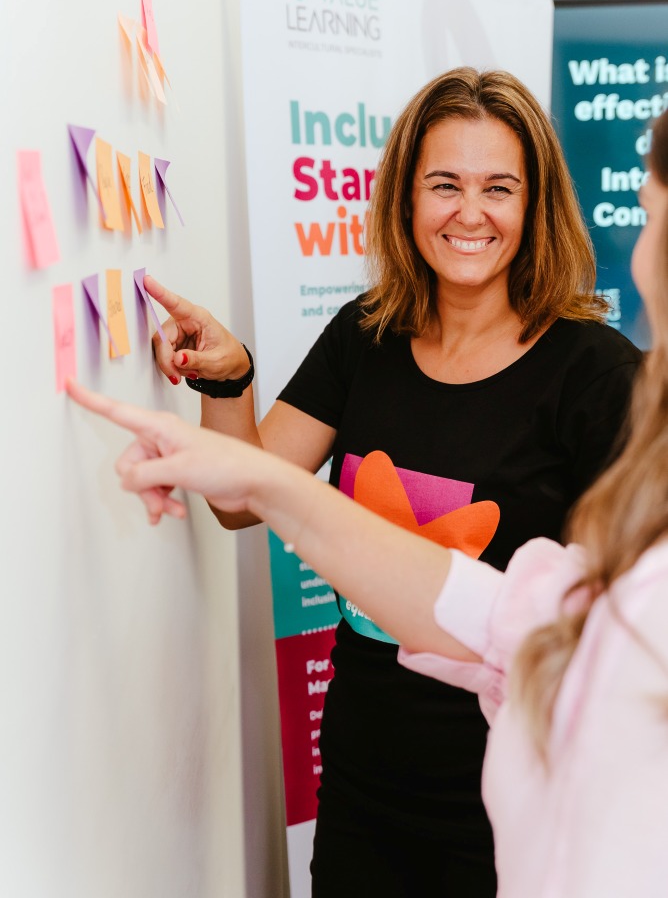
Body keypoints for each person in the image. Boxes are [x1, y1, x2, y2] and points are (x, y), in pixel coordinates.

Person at [67, 104, 668, 897]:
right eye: (444, 184)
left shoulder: (596, 374)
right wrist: (226, 377)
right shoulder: (367, 333)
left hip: (506, 790)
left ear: (537, 205)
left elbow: (607, 624)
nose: (470, 213)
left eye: (500, 188)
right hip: (363, 774)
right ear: (405, 200)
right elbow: (244, 498)